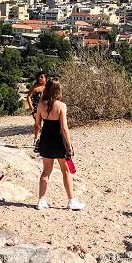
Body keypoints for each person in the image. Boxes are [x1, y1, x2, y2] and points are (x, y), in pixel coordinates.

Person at [34, 78, 84, 211]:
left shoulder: (40, 105)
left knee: (46, 171)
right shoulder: (61, 106)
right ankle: (71, 201)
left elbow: (37, 124)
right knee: (65, 170)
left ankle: (41, 201)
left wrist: (38, 137)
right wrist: (69, 145)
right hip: (58, 141)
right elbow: (64, 128)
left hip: (46, 139)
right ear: (58, 90)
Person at [28, 72, 47, 148]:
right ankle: (36, 139)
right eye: (39, 77)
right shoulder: (35, 87)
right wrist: (30, 106)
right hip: (36, 108)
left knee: (46, 124)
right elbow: (29, 96)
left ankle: (44, 140)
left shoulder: (48, 87)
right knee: (37, 124)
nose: (40, 78)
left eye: (42, 77)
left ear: (46, 78)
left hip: (46, 108)